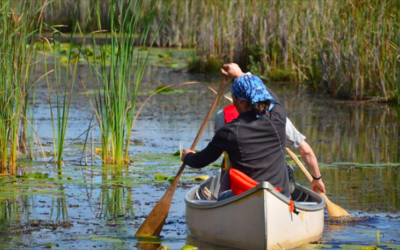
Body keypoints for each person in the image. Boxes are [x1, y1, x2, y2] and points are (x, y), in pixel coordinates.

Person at [181, 64, 290, 198]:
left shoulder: (229, 131)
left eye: (233, 97)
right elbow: (271, 95)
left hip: (245, 196)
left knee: (224, 189)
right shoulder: (278, 118)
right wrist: (241, 73)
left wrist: (187, 157)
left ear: (241, 101)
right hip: (280, 196)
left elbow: (201, 161)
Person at [214, 63, 326, 193]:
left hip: (239, 184)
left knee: (227, 173)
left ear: (235, 98)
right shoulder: (276, 117)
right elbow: (305, 151)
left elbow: (218, 150)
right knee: (287, 170)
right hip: (275, 184)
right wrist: (317, 178)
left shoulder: (222, 116)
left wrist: (190, 158)